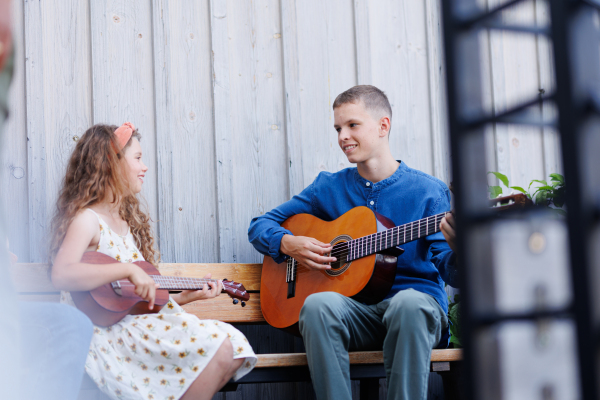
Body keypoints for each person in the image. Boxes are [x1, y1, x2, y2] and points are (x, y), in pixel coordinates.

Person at [248, 85, 458, 400]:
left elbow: (452, 272)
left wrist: (461, 250)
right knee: (318, 304)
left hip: (415, 315)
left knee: (408, 304)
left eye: (352, 125)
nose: (342, 136)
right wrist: (288, 243)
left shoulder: (429, 192)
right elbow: (260, 225)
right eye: (338, 128)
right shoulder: (327, 188)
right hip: (357, 314)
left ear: (383, 126)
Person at [50, 123, 257, 400]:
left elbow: (129, 303)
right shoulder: (88, 219)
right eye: (137, 158)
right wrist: (126, 269)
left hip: (132, 326)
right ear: (111, 163)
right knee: (220, 345)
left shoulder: (124, 224)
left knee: (232, 344)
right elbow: (62, 274)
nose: (144, 166)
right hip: (107, 335)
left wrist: (184, 298)